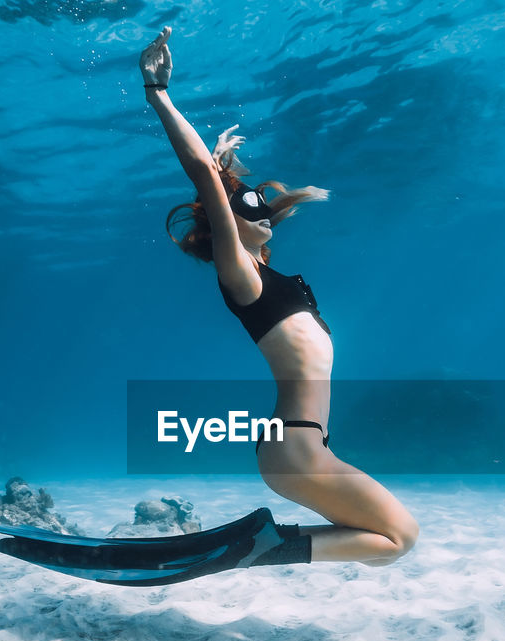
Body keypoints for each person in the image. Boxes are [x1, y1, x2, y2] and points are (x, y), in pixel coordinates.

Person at [139, 26, 417, 567]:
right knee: (399, 538)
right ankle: (261, 550)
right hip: (294, 447)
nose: (262, 212)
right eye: (247, 207)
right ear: (226, 223)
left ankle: (262, 548)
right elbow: (204, 176)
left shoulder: (277, 277)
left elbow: (225, 183)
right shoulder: (240, 275)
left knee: (392, 542)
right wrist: (159, 94)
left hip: (308, 445)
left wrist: (229, 171)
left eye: (264, 207)